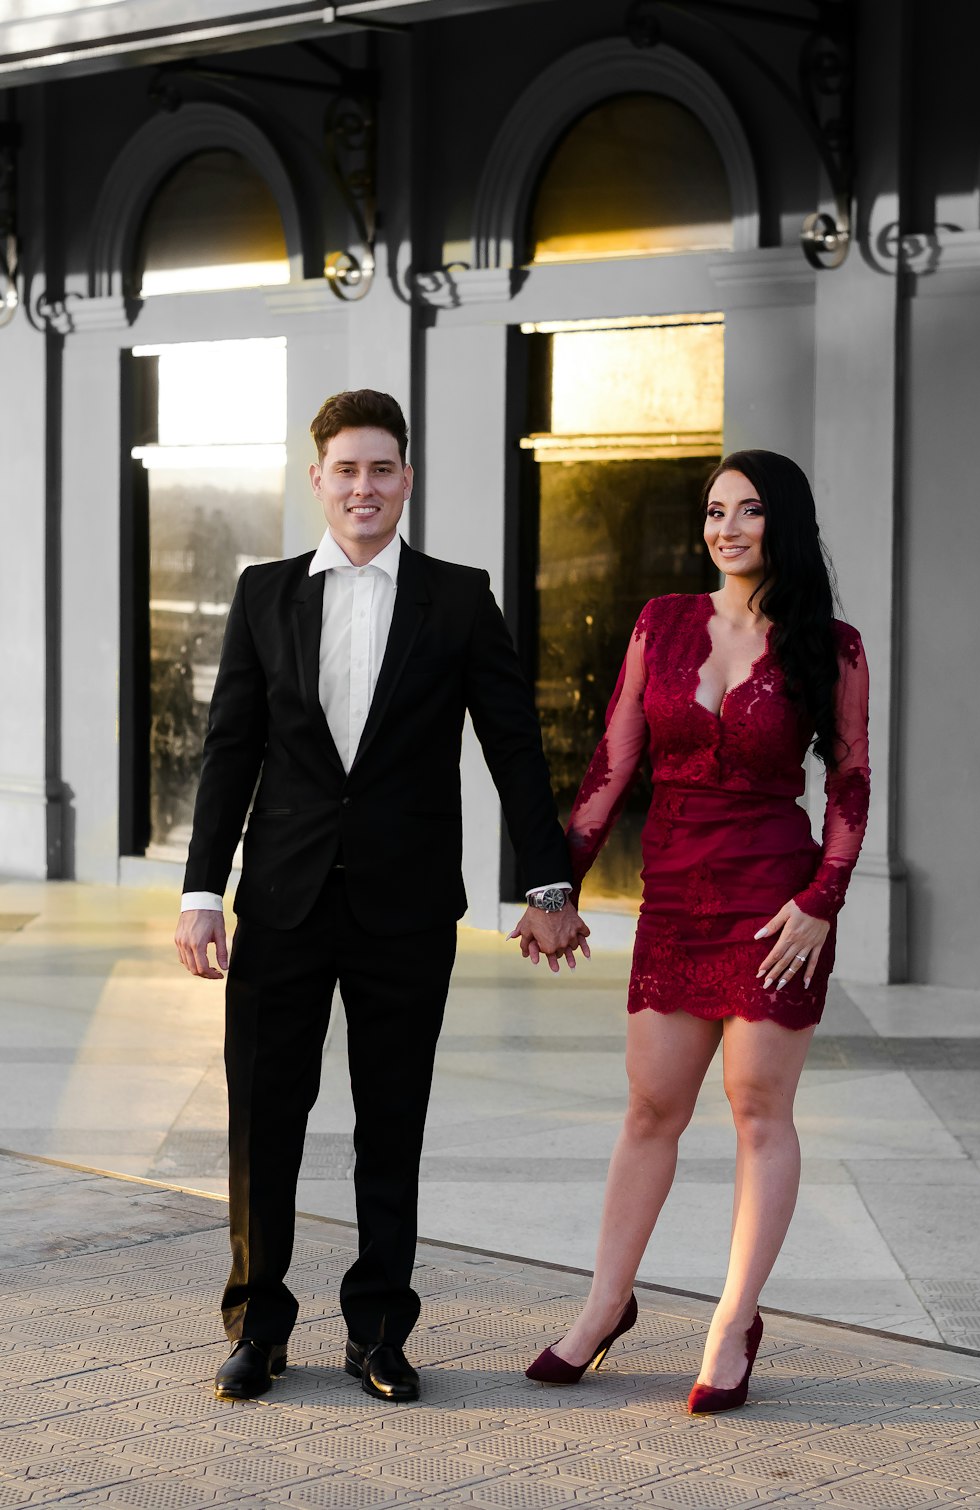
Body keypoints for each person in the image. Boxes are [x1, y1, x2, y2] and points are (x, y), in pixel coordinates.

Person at [174, 389, 589, 1404]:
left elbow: (513, 747)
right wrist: (200, 889)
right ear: (316, 479)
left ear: (406, 478)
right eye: (346, 469)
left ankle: (377, 1331)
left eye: (382, 468)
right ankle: (257, 1325)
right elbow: (230, 750)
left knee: (389, 1122)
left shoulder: (457, 597)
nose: (364, 487)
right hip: (280, 900)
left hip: (407, 911)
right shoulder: (264, 594)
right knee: (262, 1120)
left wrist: (546, 882)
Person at [515, 450, 870, 1412]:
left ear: (782, 524)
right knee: (650, 1111)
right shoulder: (661, 623)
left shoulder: (828, 644)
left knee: (759, 1111)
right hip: (674, 900)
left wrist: (821, 900)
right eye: (715, 511)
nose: (728, 528)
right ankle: (604, 1306)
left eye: (750, 512)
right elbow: (612, 761)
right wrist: (558, 888)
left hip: (775, 909)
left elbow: (847, 781)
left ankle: (733, 1320)